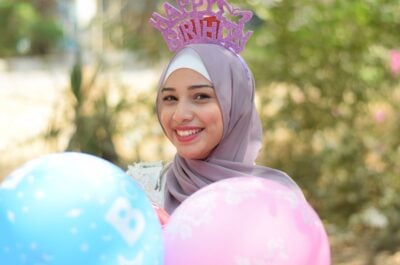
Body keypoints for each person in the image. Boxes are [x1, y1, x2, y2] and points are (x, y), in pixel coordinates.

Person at [128, 0, 303, 215]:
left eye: (201, 96)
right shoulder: (140, 194)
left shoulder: (276, 200)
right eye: (170, 98)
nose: (180, 115)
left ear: (236, 106)